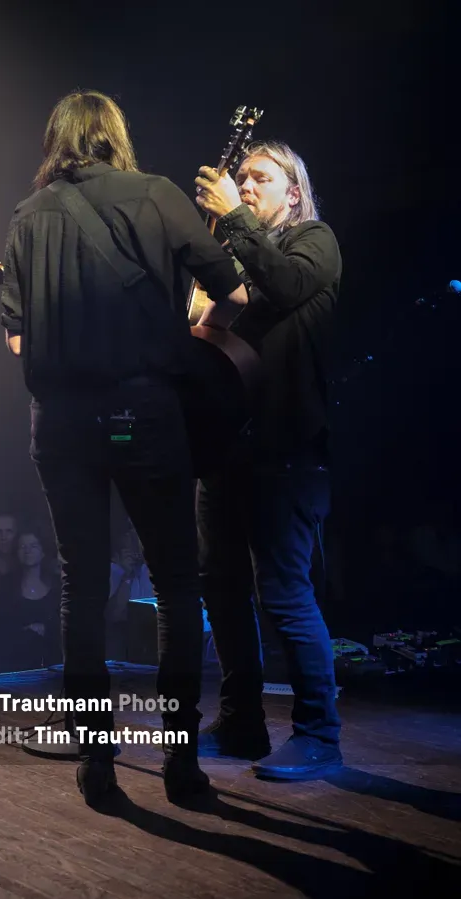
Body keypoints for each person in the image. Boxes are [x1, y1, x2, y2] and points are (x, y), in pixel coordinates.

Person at [0, 90, 249, 804]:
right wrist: (191, 329)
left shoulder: (26, 217)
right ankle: (181, 761)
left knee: (81, 581)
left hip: (63, 423)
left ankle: (96, 758)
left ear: (58, 142)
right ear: (114, 136)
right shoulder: (156, 195)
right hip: (141, 411)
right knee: (175, 581)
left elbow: (19, 339)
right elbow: (231, 292)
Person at [192, 141, 343, 780]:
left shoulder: (316, 241)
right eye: (241, 178)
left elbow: (281, 287)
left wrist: (233, 218)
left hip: (287, 451)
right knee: (222, 591)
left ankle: (318, 734)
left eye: (260, 178)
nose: (245, 185)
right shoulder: (236, 259)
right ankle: (241, 723)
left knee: (283, 593)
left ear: (294, 191)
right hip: (226, 451)